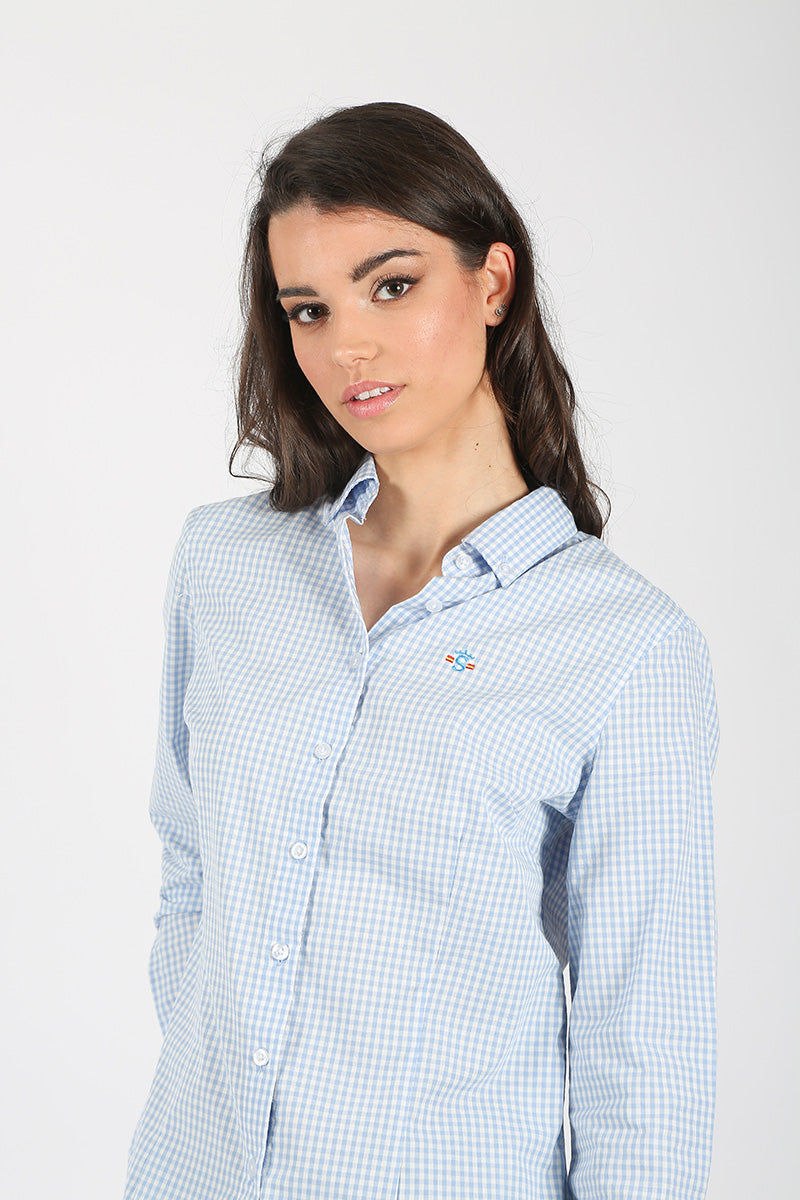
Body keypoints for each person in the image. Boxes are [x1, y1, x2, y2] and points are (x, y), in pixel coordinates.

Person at [124, 101, 719, 1200]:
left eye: (390, 286)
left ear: (492, 282)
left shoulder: (625, 647)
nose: (346, 345)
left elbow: (643, 1046)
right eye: (308, 309)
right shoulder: (224, 564)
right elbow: (191, 862)